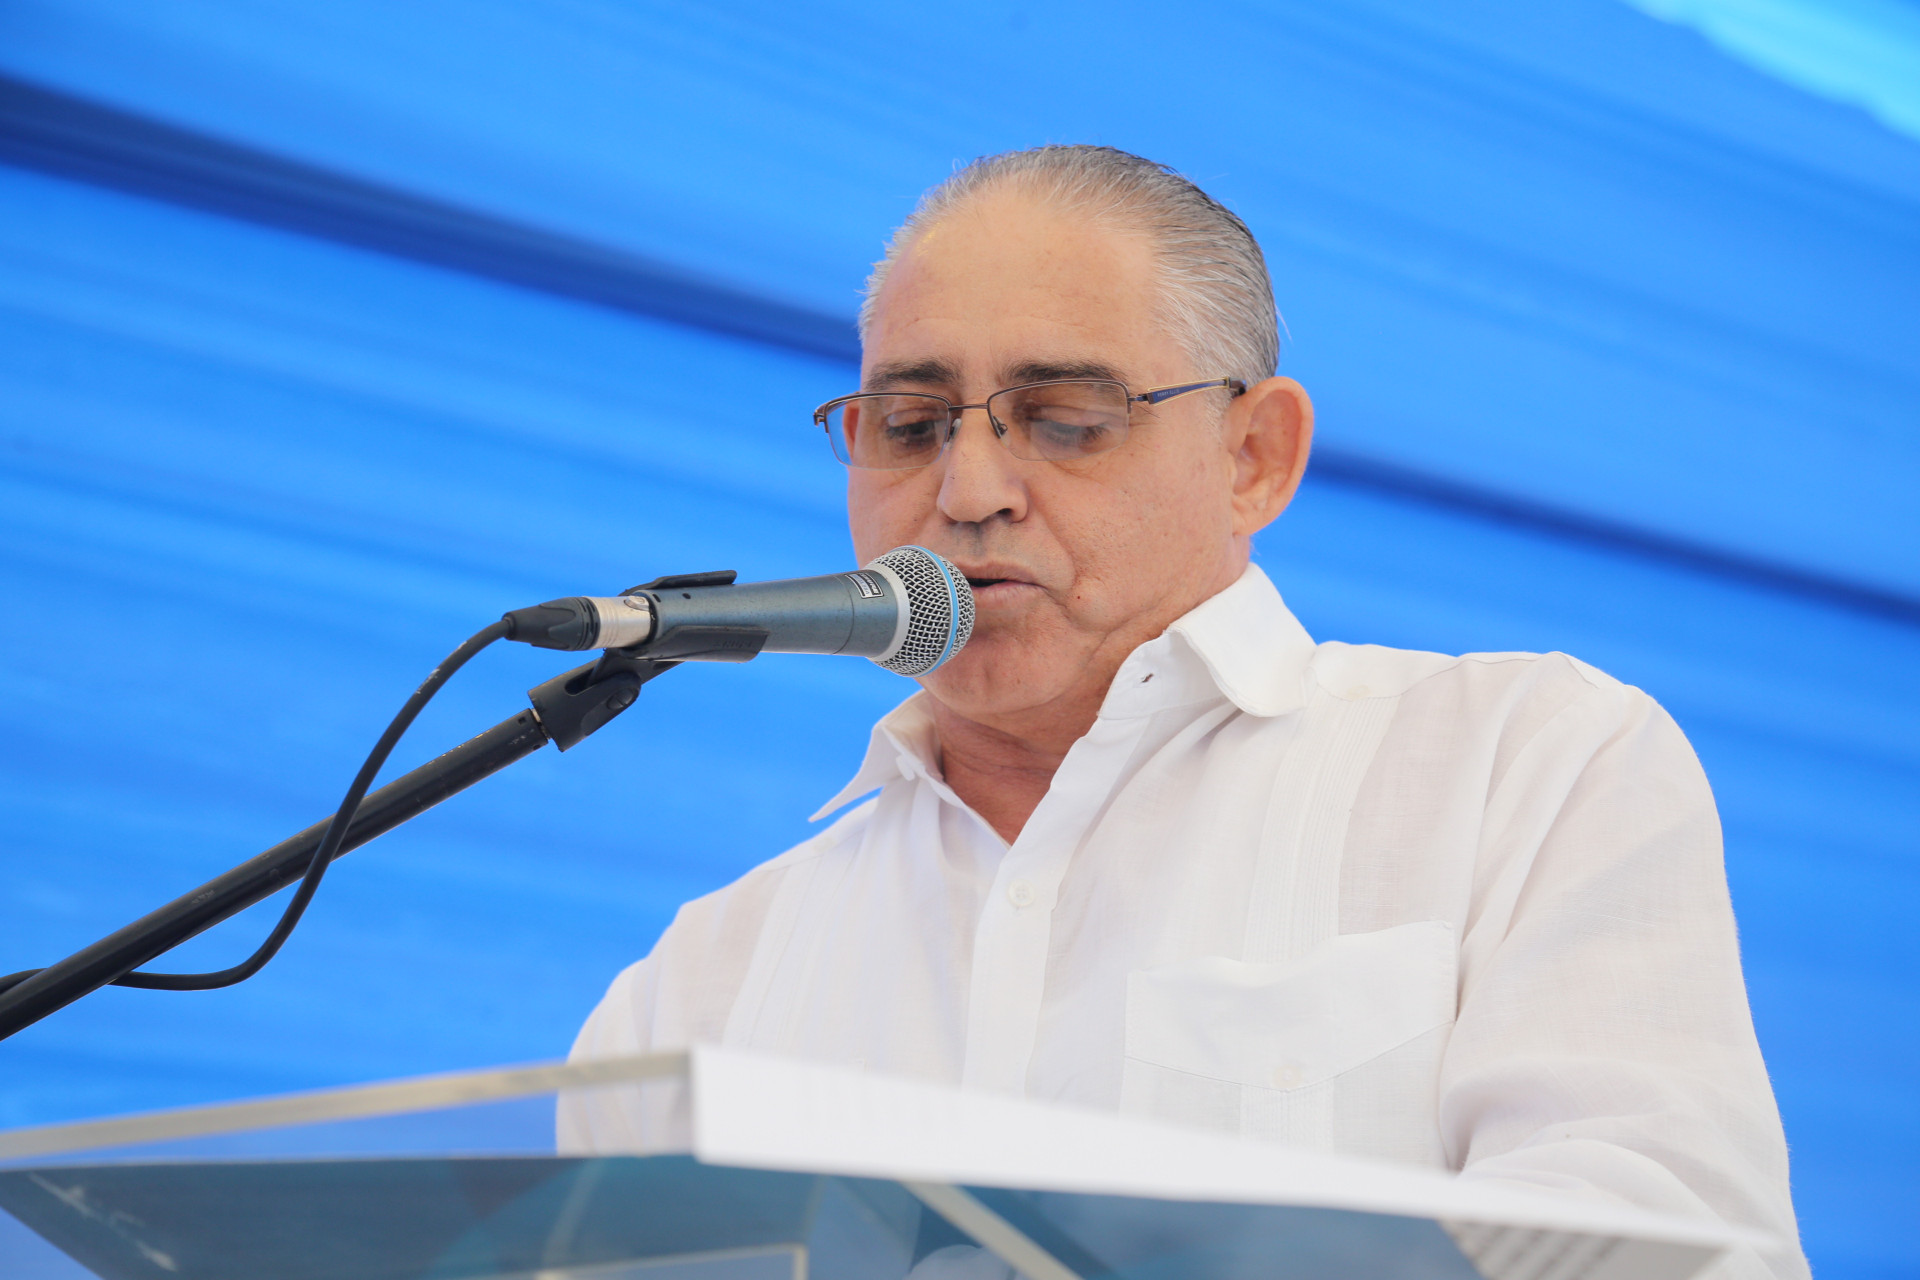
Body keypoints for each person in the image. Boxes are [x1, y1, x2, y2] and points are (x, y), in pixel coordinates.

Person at [559, 145, 1804, 1278]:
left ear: (1253, 457)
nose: (970, 488)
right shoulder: (702, 984)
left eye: (1065, 420)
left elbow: (1669, 1255)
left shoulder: (1520, 767)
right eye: (911, 424)